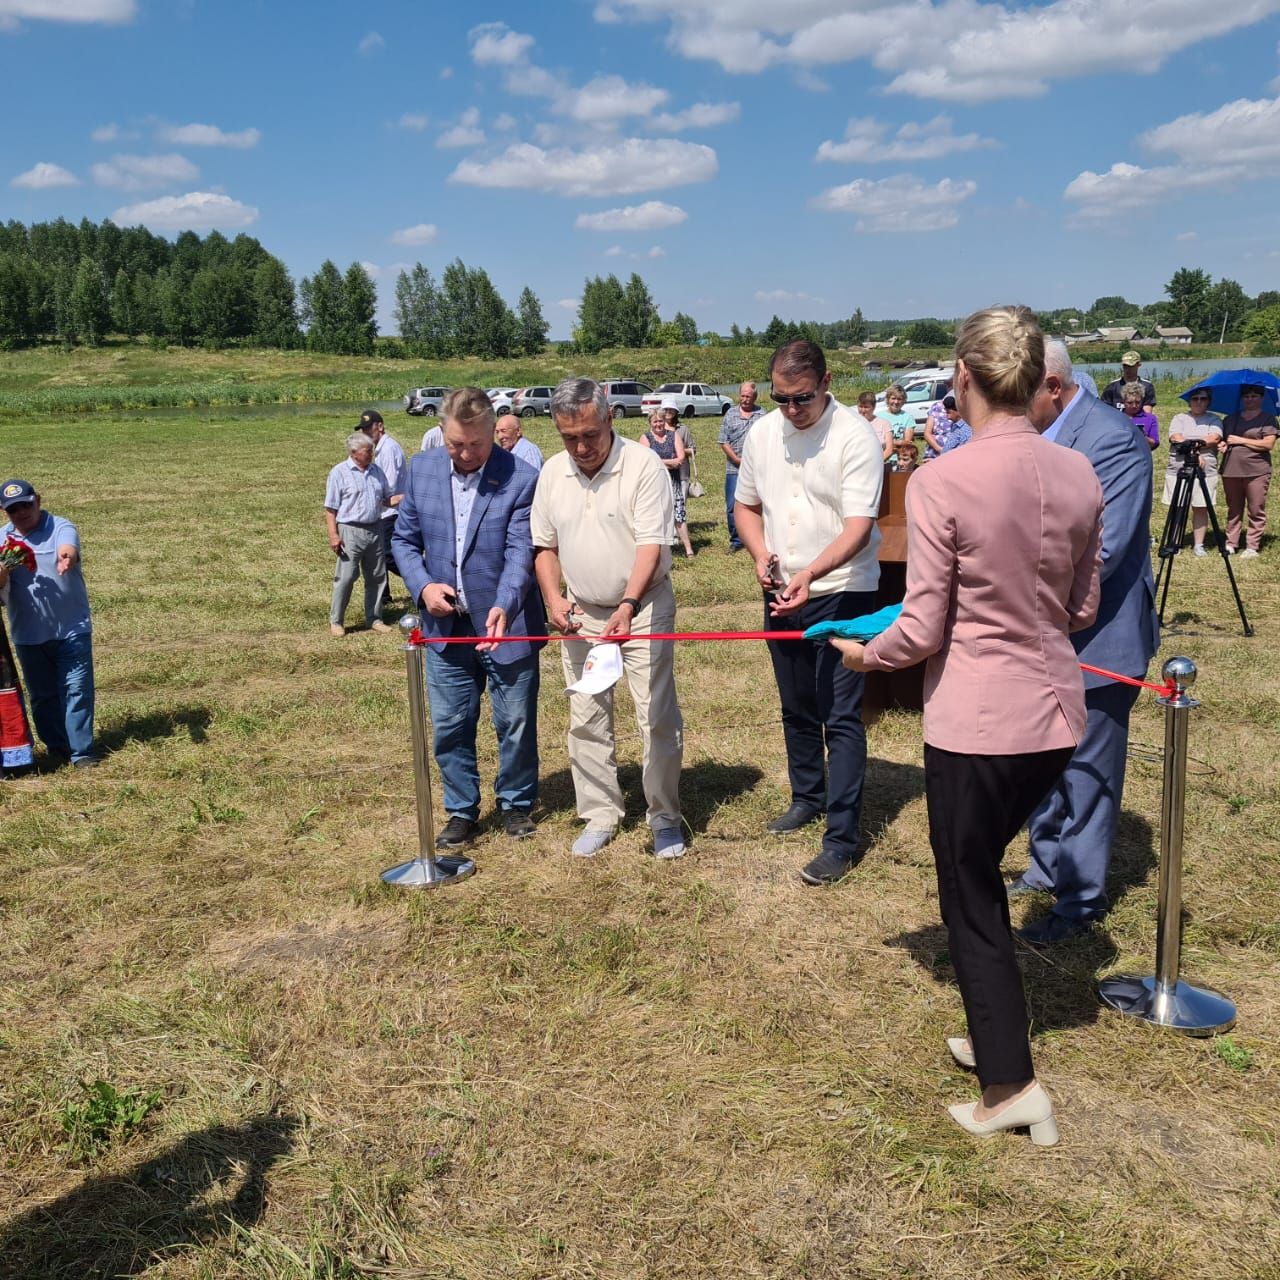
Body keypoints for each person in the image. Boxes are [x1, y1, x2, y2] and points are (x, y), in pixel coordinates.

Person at [832, 305, 1103, 1146]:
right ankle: (996, 1036)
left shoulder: (944, 480)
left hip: (980, 723)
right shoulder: (1080, 473)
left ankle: (1010, 1086)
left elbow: (920, 630)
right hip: (1058, 713)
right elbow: (1083, 605)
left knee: (970, 892)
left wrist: (861, 656)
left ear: (963, 379)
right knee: (980, 877)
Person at [1007, 338, 1159, 944]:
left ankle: (1080, 899)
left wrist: (1005, 577)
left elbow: (1105, 548)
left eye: (1021, 396)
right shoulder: (1031, 438)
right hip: (1040, 631)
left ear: (1053, 386)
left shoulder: (1112, 440)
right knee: (1044, 760)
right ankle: (1045, 868)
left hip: (1100, 638)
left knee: (1088, 771)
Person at [734, 340, 884, 885]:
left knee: (840, 714)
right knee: (796, 703)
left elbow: (858, 526)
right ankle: (807, 796)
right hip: (781, 587)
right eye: (780, 399)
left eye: (801, 399)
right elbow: (746, 505)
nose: (791, 409)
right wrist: (759, 553)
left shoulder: (855, 438)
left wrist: (811, 575)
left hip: (842, 588)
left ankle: (842, 838)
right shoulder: (762, 434)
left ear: (825, 384)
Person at [532, 377, 685, 859]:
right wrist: (554, 600)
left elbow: (649, 546)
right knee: (587, 717)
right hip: (581, 615)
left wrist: (627, 606)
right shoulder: (553, 473)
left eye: (590, 435)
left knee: (655, 716)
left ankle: (664, 817)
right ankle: (599, 813)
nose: (580, 447)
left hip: (643, 610)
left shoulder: (643, 468)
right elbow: (545, 546)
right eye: (569, 437)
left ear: (611, 419)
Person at [392, 388, 546, 847]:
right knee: (450, 723)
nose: (465, 454)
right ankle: (461, 811)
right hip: (445, 629)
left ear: (493, 433)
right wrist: (422, 585)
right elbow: (403, 540)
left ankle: (516, 804)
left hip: (508, 623)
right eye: (456, 444)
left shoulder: (521, 476)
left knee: (515, 721)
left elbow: (522, 552)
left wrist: (504, 604)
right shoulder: (421, 469)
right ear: (442, 432)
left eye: (476, 445)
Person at [0, 479, 97, 767]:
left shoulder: (60, 526)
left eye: (25, 505)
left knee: (77, 690)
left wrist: (67, 555)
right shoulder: (2, 540)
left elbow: (69, 546)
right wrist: (3, 570)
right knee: (42, 696)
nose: (21, 512)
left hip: (72, 628)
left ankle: (82, 753)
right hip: (28, 633)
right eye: (12, 509)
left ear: (38, 500)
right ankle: (57, 748)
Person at [324, 433, 393, 637]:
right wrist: (333, 535)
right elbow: (330, 509)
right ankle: (336, 621)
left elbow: (386, 500)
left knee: (377, 577)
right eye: (367, 450)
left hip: (375, 529)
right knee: (346, 577)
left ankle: (374, 618)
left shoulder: (376, 471)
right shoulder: (339, 473)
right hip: (349, 531)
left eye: (372, 450)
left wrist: (408, 498)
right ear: (354, 453)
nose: (371, 454)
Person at [1219, 384, 1278, 558]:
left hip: (1257, 470)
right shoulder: (1230, 419)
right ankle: (1231, 543)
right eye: (1246, 396)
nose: (1250, 399)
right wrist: (1223, 444)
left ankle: (1252, 545)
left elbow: (1268, 444)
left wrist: (1241, 440)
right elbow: (1225, 440)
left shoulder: (1268, 419)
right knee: (1234, 508)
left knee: (1256, 508)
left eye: (1254, 396)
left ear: (1261, 398)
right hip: (1231, 469)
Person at [356, 409, 406, 606]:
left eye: (369, 429)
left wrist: (372, 497)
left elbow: (389, 485)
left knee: (387, 554)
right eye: (364, 430)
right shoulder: (381, 448)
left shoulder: (388, 449)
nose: (367, 433)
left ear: (380, 426)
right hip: (384, 510)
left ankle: (422, 580)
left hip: (391, 511)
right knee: (378, 554)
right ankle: (383, 597)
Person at [1163, 388, 1222, 556]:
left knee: (1201, 506)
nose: (1198, 402)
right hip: (1179, 468)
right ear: (1189, 401)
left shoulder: (1214, 419)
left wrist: (1190, 445)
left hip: (1206, 470)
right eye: (1195, 398)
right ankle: (1175, 542)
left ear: (1208, 401)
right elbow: (1175, 437)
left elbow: (1214, 438)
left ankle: (1198, 545)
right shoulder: (1179, 418)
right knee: (1178, 506)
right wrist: (1195, 452)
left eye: (1203, 399)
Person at [642, 406, 694, 559]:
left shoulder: (674, 435)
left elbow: (681, 459)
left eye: (661, 421)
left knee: (679, 515)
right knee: (657, 516)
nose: (658, 424)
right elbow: (647, 460)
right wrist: (669, 462)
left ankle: (688, 549)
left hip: (674, 482)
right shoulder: (645, 438)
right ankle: (659, 551)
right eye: (655, 421)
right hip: (654, 483)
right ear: (650, 422)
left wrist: (661, 461)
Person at [718, 382, 765, 550]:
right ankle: (737, 540)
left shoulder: (762, 415)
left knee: (757, 504)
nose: (745, 399)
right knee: (732, 505)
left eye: (749, 397)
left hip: (756, 469)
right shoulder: (730, 414)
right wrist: (736, 459)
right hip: (734, 469)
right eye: (743, 396)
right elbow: (723, 440)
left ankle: (756, 538)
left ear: (755, 397)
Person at [855, 391, 894, 463]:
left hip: (878, 464)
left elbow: (889, 450)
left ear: (874, 407)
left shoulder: (884, 424)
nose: (863, 410)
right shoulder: (852, 423)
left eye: (866, 407)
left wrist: (876, 463)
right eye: (860, 406)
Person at [1120, 384, 1160, 451]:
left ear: (1142, 401)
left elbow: (1154, 443)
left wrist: (1143, 437)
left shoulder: (1150, 418)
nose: (1134, 406)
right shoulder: (1115, 417)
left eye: (1138, 402)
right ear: (1123, 402)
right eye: (1130, 403)